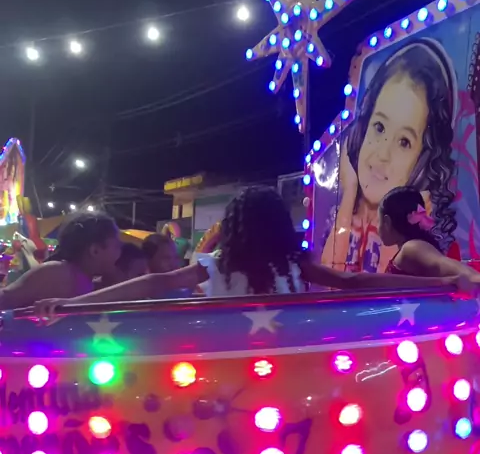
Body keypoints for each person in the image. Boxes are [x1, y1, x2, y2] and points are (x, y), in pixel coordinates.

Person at [33, 186, 479, 319]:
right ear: (281, 224)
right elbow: (353, 281)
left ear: (234, 226)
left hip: (223, 366)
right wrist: (441, 282)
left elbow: (155, 283)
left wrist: (73, 304)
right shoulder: (294, 263)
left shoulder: (216, 265)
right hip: (287, 363)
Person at [323, 39, 457, 273]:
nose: (383, 154)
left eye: (404, 142)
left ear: (422, 163)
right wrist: (349, 193)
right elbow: (331, 279)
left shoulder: (412, 244)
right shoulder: (350, 212)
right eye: (379, 127)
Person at [0, 211, 121, 310]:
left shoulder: (88, 281)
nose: (120, 252)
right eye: (116, 246)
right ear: (95, 251)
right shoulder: (56, 274)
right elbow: (5, 298)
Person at [378, 186, 478, 280]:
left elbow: (439, 265)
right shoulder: (412, 247)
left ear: (387, 222)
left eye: (379, 221)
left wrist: (475, 278)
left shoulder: (411, 248)